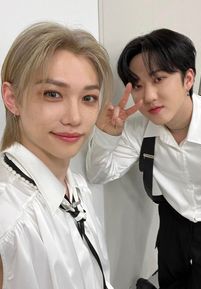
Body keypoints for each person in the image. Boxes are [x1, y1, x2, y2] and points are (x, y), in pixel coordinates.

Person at [86, 28, 201, 289]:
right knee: (169, 280)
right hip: (172, 222)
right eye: (139, 85)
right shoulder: (138, 130)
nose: (148, 97)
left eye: (159, 79)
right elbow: (98, 174)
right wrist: (105, 136)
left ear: (188, 79)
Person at [0, 21, 114, 289]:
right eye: (53, 94)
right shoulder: (9, 219)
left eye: (88, 98)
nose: (74, 118)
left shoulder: (78, 188)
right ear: (12, 98)